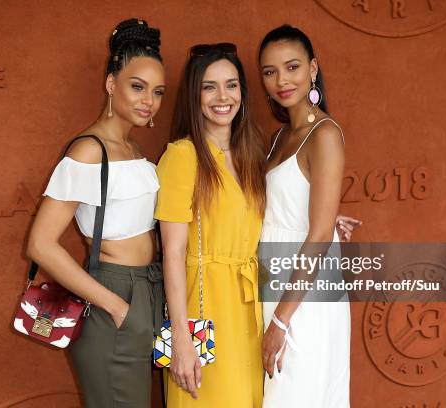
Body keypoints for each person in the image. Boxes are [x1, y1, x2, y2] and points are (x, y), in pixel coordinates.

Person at [25, 18, 166, 408]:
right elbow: (40, 243)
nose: (147, 101)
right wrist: (116, 306)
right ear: (110, 84)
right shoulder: (89, 150)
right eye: (137, 87)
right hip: (112, 294)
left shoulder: (137, 151)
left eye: (156, 92)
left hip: (148, 291)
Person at [155, 42, 267, 407]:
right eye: (209, 86)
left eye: (231, 85)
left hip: (250, 311)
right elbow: (172, 253)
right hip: (204, 312)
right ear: (194, 95)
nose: (223, 96)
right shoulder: (182, 156)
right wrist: (180, 340)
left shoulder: (252, 155)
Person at [258, 24, 351, 407]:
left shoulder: (324, 134)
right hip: (275, 282)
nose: (281, 80)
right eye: (269, 71)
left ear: (313, 69)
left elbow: (316, 237)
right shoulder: (280, 137)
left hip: (305, 297)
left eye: (292, 67)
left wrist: (281, 320)